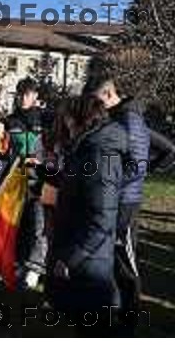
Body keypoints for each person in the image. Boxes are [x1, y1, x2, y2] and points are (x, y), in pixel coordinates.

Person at [83, 73, 175, 323]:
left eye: (96, 101)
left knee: (125, 258)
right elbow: (166, 149)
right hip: (118, 197)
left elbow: (136, 166)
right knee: (114, 255)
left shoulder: (129, 120)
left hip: (124, 201)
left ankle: (131, 314)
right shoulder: (122, 117)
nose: (94, 107)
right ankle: (116, 307)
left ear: (108, 95)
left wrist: (109, 185)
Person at [49, 95, 128, 335]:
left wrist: (70, 259)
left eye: (67, 121)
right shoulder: (87, 149)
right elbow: (78, 183)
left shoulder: (98, 154)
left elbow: (102, 220)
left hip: (89, 265)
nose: (65, 127)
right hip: (83, 258)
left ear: (81, 120)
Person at [5, 77, 47, 287]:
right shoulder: (10, 121)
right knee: (19, 224)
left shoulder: (45, 119)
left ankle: (35, 268)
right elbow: (4, 151)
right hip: (17, 180)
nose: (23, 98)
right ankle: (21, 261)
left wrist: (43, 160)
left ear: (35, 96)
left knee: (39, 225)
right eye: (20, 94)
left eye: (28, 94)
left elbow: (54, 148)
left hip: (42, 180)